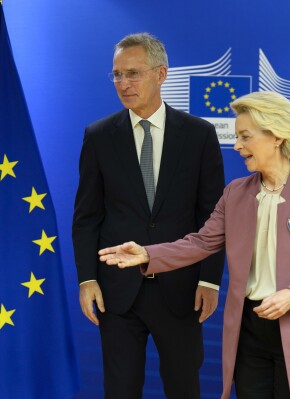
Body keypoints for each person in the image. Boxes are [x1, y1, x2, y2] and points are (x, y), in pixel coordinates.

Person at [99, 91, 290, 399]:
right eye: (236, 137)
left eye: (245, 137)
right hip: (249, 333)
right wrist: (147, 253)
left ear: (276, 136)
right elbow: (201, 242)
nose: (237, 146)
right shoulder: (235, 194)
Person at [72, 32, 225, 398]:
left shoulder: (199, 135)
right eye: (117, 75)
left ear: (161, 74)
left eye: (133, 73)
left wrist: (209, 280)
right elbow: (87, 216)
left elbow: (213, 217)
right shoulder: (99, 136)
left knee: (183, 388)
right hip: (118, 292)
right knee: (121, 390)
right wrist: (86, 279)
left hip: (181, 288)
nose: (123, 84)